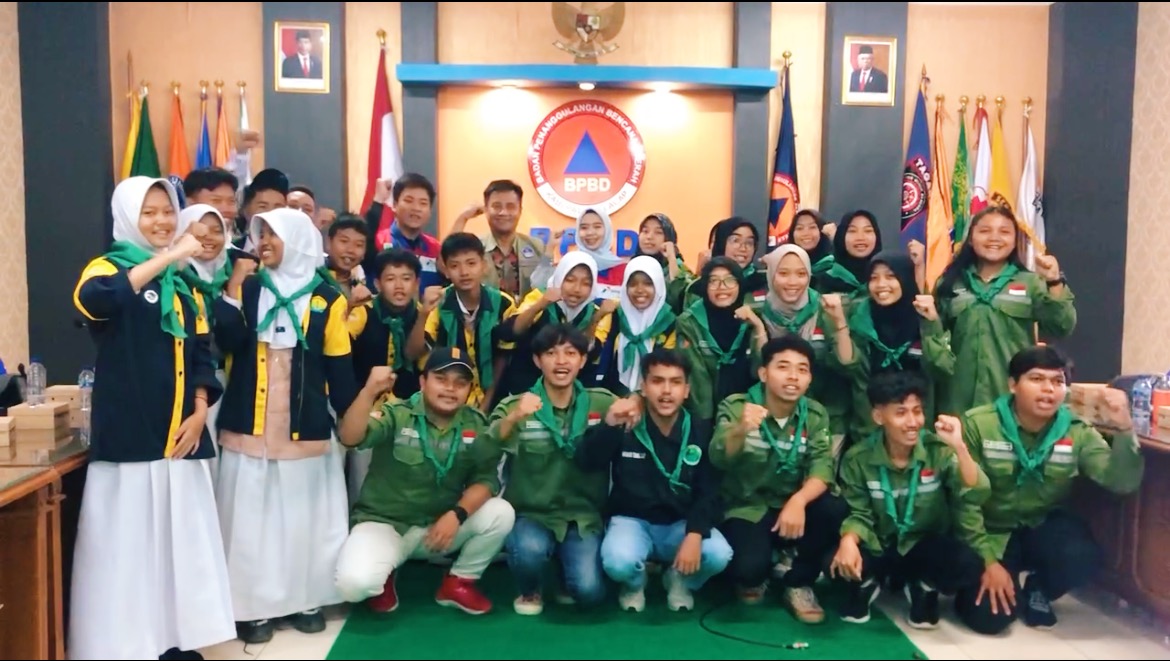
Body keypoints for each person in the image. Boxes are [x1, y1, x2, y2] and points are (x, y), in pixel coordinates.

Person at [69, 177, 233, 660]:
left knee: (178, 551)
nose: (162, 221)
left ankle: (173, 640)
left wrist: (200, 411)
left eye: (167, 211)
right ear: (127, 217)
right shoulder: (109, 267)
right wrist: (168, 256)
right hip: (131, 435)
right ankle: (125, 645)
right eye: (149, 213)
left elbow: (201, 352)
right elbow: (96, 302)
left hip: (180, 437)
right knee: (128, 549)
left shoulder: (182, 286)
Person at [213, 207, 358, 644]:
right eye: (261, 235)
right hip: (249, 421)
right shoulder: (250, 287)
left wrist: (351, 418)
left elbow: (338, 365)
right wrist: (233, 289)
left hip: (304, 424)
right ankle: (252, 608)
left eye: (274, 235)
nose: (264, 243)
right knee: (249, 520)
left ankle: (306, 601)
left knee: (303, 518)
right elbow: (227, 340)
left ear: (297, 240)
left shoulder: (328, 297)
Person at [955, 346, 1144, 634]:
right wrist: (989, 562)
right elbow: (963, 502)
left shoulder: (1076, 430)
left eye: (1057, 381)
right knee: (989, 619)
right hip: (992, 531)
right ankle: (989, 584)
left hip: (1041, 526)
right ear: (1013, 385)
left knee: (1082, 554)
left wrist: (1125, 428)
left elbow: (1121, 481)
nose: (1048, 389)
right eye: (1036, 379)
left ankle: (1039, 588)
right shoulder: (980, 425)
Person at [334, 350, 516, 615]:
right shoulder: (398, 414)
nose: (450, 389)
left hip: (438, 530)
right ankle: (385, 573)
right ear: (423, 381)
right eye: (441, 379)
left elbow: (486, 480)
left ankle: (458, 582)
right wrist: (368, 391)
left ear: (469, 389)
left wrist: (456, 515)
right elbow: (350, 437)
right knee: (353, 585)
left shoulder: (475, 424)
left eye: (460, 383)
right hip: (387, 525)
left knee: (501, 512)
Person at [575, 348, 733, 612]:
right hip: (632, 521)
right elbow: (587, 462)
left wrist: (695, 534)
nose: (666, 391)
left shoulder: (701, 430)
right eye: (657, 381)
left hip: (680, 524)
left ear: (687, 390)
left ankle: (679, 580)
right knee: (617, 562)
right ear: (644, 387)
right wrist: (610, 424)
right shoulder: (627, 422)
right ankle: (635, 583)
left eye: (675, 382)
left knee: (719, 554)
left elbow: (709, 491)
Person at [830, 370, 988, 629]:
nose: (913, 422)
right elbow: (859, 512)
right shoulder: (858, 458)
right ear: (879, 416)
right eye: (901, 413)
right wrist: (848, 540)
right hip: (878, 544)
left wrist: (960, 447)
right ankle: (866, 584)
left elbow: (976, 492)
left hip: (921, 546)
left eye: (917, 411)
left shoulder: (938, 451)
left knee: (967, 564)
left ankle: (923, 587)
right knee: (834, 561)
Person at [490, 324, 629, 615]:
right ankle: (530, 588)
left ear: (583, 360)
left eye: (570, 353)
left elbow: (640, 405)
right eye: (551, 353)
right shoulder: (517, 405)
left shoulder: (602, 402)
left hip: (581, 518)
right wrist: (514, 418)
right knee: (529, 552)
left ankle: (566, 574)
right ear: (537, 360)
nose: (561, 361)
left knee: (589, 592)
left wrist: (635, 404)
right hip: (532, 514)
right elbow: (485, 447)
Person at [711, 335, 848, 624]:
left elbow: (822, 468)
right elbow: (718, 458)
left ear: (809, 379)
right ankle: (763, 566)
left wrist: (799, 500)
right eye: (783, 367)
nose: (793, 376)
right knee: (748, 571)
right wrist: (740, 429)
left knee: (833, 508)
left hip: (792, 508)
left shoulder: (815, 414)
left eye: (802, 369)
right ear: (763, 373)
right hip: (747, 507)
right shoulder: (737, 406)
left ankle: (798, 582)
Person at [933, 206, 1077, 415]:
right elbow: (933, 338)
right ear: (971, 239)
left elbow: (1061, 326)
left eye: (1004, 232)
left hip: (1011, 402)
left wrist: (1054, 281)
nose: (994, 238)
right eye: (985, 231)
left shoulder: (1031, 283)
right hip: (958, 401)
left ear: (1015, 240)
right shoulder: (951, 283)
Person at [757, 245, 855, 457]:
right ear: (771, 274)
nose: (792, 282)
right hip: (774, 417)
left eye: (801, 274)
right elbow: (755, 370)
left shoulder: (825, 308)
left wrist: (839, 323)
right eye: (783, 273)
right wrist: (758, 331)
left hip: (828, 415)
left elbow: (847, 365)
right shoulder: (758, 312)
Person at [407, 232, 519, 411]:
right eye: (455, 265)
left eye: (471, 263)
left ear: (484, 265)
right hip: (447, 399)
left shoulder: (503, 304)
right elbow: (412, 354)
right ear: (446, 270)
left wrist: (486, 405)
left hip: (495, 400)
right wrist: (423, 314)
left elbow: (503, 358)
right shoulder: (437, 304)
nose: (464, 272)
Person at [503, 252, 614, 397]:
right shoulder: (540, 296)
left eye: (586, 283)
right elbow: (512, 331)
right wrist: (541, 304)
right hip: (527, 386)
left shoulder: (597, 310)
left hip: (570, 392)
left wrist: (596, 318)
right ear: (560, 277)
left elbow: (589, 353)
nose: (577, 289)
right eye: (570, 280)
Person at [676, 257, 767, 423]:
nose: (722, 287)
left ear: (740, 284)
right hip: (704, 414)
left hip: (750, 411)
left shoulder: (752, 317)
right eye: (714, 281)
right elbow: (698, 381)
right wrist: (707, 425)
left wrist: (759, 327)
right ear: (705, 286)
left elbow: (759, 369)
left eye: (730, 280)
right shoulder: (689, 322)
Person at [450, 179, 546, 301]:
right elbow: (446, 262)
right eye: (497, 206)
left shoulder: (536, 246)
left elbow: (545, 288)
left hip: (529, 312)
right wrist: (463, 218)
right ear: (486, 209)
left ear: (520, 211)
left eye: (510, 207)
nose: (503, 212)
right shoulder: (474, 247)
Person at [594, 255, 678, 395]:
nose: (640, 290)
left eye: (648, 284)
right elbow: (593, 349)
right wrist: (598, 316)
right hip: (612, 394)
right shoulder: (614, 314)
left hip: (653, 397)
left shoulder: (668, 322)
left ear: (658, 286)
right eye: (633, 284)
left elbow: (668, 367)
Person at [363, 173, 445, 291]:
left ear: (430, 211)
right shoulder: (379, 241)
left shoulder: (435, 249)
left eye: (423, 203)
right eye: (409, 201)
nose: (416, 208)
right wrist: (378, 201)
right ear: (394, 205)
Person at [633, 213, 692, 312]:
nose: (649, 237)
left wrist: (671, 258)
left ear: (668, 238)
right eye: (645, 231)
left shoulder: (677, 266)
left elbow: (681, 296)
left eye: (658, 232)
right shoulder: (632, 266)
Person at [815, 210, 882, 296]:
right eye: (852, 231)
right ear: (841, 236)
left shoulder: (886, 279)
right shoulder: (826, 280)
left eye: (868, 231)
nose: (860, 238)